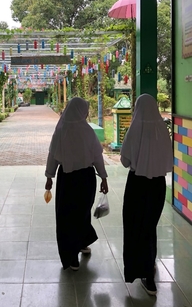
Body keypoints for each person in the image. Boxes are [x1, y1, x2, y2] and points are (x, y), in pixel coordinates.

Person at [45, 97, 109, 271]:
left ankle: (78, 246)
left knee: (72, 215)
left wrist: (49, 177)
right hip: (85, 179)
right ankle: (72, 254)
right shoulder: (87, 131)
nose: (87, 113)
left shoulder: (61, 130)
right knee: (78, 213)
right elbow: (97, 156)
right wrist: (103, 177)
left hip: (68, 180)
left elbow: (53, 156)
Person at [120, 93, 173, 296]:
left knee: (135, 226)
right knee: (149, 226)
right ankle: (148, 266)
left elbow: (125, 161)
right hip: (158, 186)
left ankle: (142, 271)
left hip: (137, 185)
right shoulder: (162, 128)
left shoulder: (135, 129)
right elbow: (168, 158)